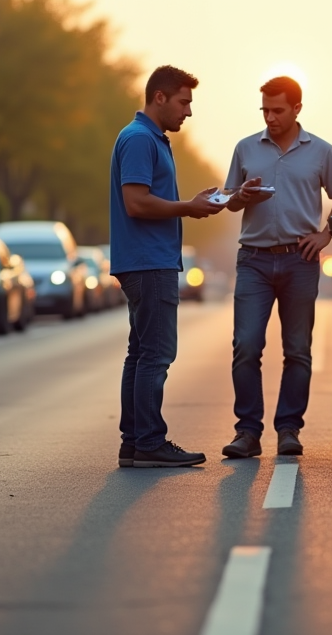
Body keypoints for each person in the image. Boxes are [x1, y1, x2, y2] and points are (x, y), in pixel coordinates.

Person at [221, 76, 332, 458]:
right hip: (254, 260)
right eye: (264, 109)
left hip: (301, 259)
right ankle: (247, 432)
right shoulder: (245, 148)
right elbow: (228, 199)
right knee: (246, 345)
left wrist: (326, 235)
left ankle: (289, 428)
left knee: (298, 349)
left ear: (297, 108)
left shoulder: (321, 151)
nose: (270, 117)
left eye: (277, 110)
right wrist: (239, 196)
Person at [111, 65, 225, 468]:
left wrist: (196, 203)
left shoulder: (148, 138)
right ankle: (149, 442)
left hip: (145, 261)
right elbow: (136, 202)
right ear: (159, 97)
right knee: (156, 355)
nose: (188, 112)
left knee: (140, 354)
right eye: (183, 102)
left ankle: (134, 441)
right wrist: (188, 209)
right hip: (149, 263)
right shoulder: (141, 139)